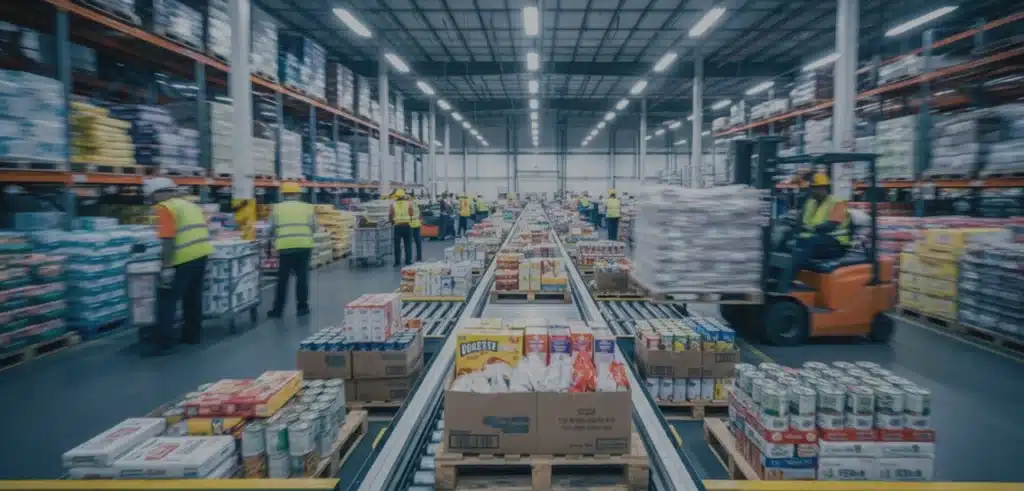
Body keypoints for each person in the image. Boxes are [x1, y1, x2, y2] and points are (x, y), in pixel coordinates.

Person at [146, 177, 213, 355]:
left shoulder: (165, 208)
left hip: (182, 258)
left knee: (167, 297)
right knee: (193, 296)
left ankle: (164, 342)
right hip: (202, 253)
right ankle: (193, 335)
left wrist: (166, 266)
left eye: (151, 196)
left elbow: (168, 239)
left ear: (159, 193)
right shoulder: (189, 204)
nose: (151, 201)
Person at [777, 173, 851, 293]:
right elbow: (800, 223)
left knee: (803, 249)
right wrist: (791, 226)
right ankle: (774, 278)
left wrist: (811, 228)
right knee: (785, 237)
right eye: (812, 188)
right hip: (815, 240)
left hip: (836, 244)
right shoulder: (810, 202)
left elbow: (831, 226)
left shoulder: (837, 203)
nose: (812, 191)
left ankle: (784, 286)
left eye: (816, 188)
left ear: (824, 189)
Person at [268, 182, 315, 318]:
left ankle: (278, 310)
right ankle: (302, 307)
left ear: (283, 194)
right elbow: (314, 227)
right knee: (302, 277)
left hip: (285, 246)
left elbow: (271, 228)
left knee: (283, 278)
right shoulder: (308, 208)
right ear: (298, 194)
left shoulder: (276, 208)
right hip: (304, 245)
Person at [389, 189, 413, 266]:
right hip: (407, 226)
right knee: (408, 245)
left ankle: (397, 262)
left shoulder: (393, 205)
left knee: (397, 245)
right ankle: (408, 261)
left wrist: (392, 222)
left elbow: (390, 215)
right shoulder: (409, 204)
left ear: (396, 196)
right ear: (403, 196)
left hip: (397, 227)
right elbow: (411, 213)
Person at [408, 192, 423, 262]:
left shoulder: (407, 204)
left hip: (410, 225)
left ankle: (409, 258)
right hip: (417, 224)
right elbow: (419, 213)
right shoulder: (415, 203)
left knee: (409, 243)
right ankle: (419, 257)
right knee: (418, 242)